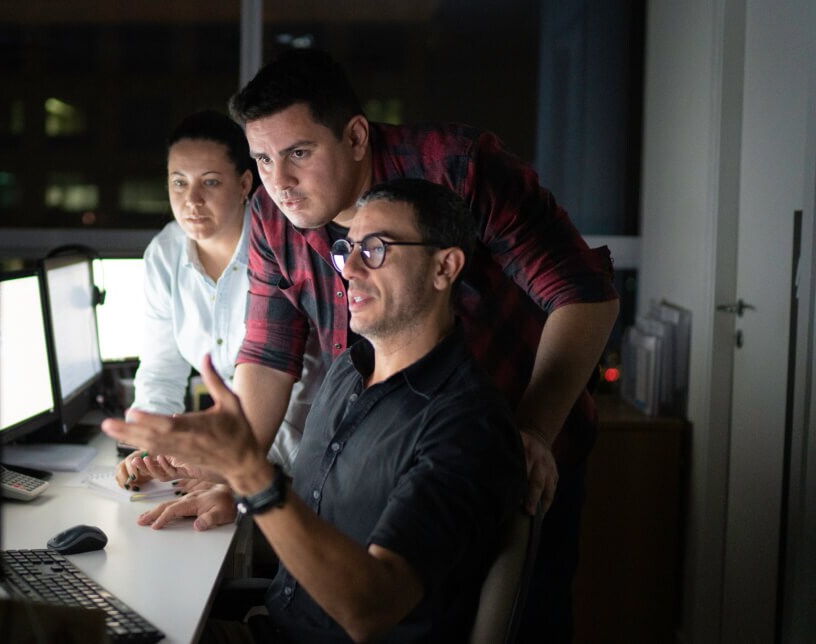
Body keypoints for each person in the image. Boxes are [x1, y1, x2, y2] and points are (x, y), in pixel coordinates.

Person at [219, 48, 618, 642]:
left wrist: (532, 431)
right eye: (262, 159)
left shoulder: (457, 168)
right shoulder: (273, 217)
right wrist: (231, 468)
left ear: (356, 136)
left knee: (512, 617)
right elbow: (269, 354)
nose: (279, 182)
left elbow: (585, 293)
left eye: (299, 153)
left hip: (505, 430)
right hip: (378, 442)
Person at [103, 179, 526, 641]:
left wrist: (252, 479)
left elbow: (370, 608)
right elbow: (326, 519)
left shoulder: (468, 425)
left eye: (377, 249)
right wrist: (245, 503)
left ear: (445, 267)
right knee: (105, 618)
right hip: (273, 622)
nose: (351, 270)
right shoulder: (348, 369)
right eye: (349, 250)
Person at [114, 110, 322, 497]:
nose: (191, 200)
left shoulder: (281, 248)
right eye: (179, 183)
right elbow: (162, 369)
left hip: (301, 454)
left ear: (245, 183)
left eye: (210, 182)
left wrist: (227, 468)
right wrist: (150, 448)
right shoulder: (165, 251)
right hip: (232, 450)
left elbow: (302, 388)